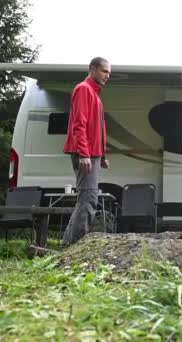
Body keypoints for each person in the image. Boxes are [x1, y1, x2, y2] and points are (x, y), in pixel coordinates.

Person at [60, 57, 111, 247]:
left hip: (93, 154)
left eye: (109, 73)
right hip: (86, 154)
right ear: (93, 69)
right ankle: (72, 246)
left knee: (86, 199)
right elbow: (78, 125)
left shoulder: (95, 94)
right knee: (88, 199)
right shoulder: (83, 89)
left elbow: (98, 128)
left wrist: (103, 155)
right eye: (104, 71)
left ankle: (68, 244)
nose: (107, 76)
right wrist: (84, 153)